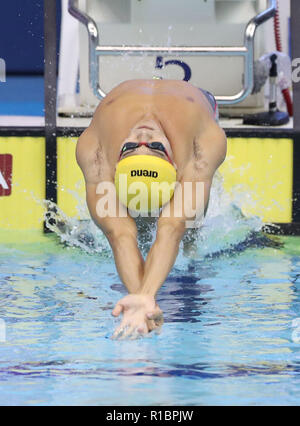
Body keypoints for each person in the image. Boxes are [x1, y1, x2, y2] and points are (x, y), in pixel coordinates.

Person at [76, 79, 227, 339]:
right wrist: (142, 301)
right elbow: (119, 234)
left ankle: (189, 243)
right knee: (131, 222)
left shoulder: (201, 149)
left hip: (198, 101)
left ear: (176, 167)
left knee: (189, 225)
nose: (143, 137)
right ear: (113, 170)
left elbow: (172, 227)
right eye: (132, 147)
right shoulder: (97, 158)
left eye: (154, 147)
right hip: (170, 105)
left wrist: (146, 296)